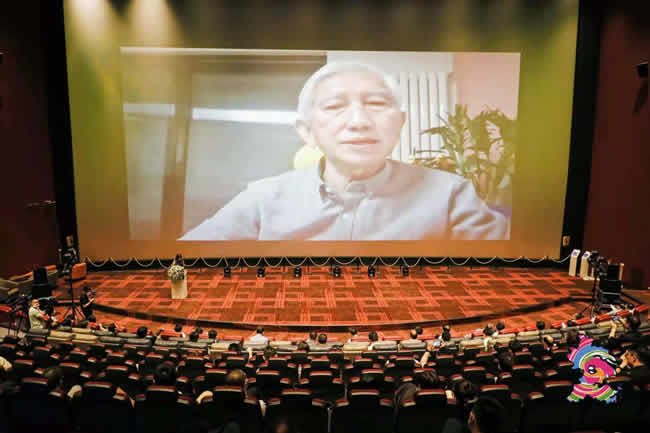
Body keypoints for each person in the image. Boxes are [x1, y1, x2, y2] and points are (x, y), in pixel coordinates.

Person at [179, 61, 508, 241]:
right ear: (307, 131)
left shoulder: (450, 195)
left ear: (400, 122)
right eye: (335, 106)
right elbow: (183, 262)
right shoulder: (263, 199)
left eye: (376, 104)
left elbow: (509, 274)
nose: (359, 122)